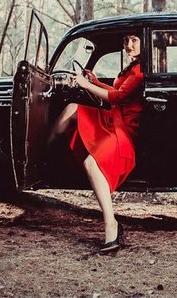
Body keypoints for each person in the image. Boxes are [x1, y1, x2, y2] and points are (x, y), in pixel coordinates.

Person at [49, 34, 143, 254]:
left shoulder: (139, 70)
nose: (128, 45)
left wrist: (85, 85)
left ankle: (111, 224)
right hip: (115, 119)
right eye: (126, 40)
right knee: (71, 108)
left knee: (91, 163)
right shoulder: (133, 67)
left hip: (123, 128)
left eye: (134, 40)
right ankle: (45, 154)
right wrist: (94, 81)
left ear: (144, 43)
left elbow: (116, 97)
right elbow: (118, 91)